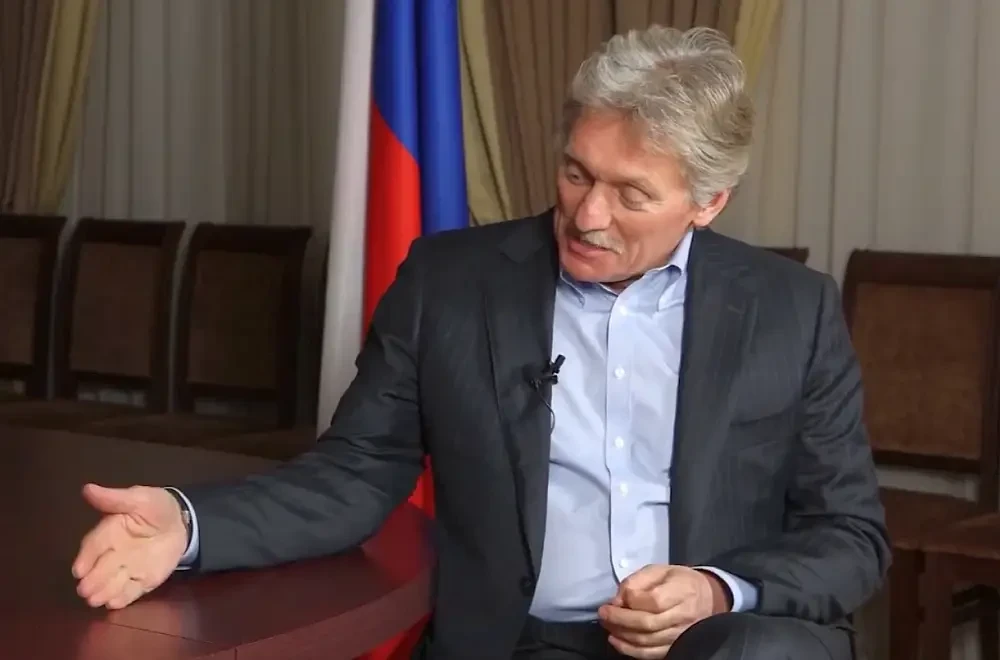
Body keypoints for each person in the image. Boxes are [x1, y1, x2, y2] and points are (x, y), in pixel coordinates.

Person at [71, 25, 889, 660]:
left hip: (715, 644)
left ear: (708, 202)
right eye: (576, 173)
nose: (588, 216)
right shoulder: (450, 284)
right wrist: (187, 525)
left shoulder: (792, 311)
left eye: (631, 194)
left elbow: (850, 536)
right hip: (515, 641)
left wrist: (717, 591)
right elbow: (353, 473)